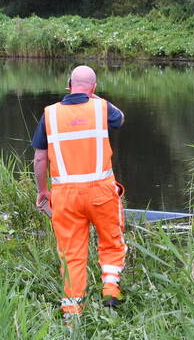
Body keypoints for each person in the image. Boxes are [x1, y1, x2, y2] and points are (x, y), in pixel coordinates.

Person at [32, 65, 126, 321]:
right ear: (93, 88)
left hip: (65, 196)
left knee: (71, 253)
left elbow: (40, 159)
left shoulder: (49, 114)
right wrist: (94, 97)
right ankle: (110, 289)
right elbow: (121, 117)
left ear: (68, 86)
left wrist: (43, 191)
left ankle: (72, 313)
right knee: (111, 240)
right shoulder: (101, 108)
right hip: (101, 192)